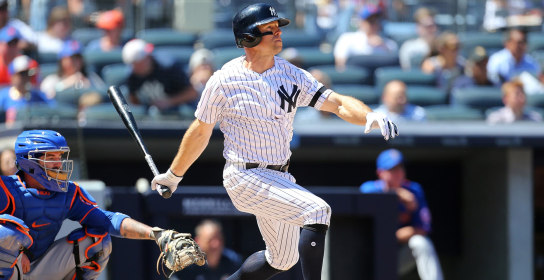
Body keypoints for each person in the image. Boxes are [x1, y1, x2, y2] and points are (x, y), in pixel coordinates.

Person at [150, 3, 398, 280]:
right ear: (248, 38)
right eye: (269, 29)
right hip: (244, 175)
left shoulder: (290, 74)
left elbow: (337, 103)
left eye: (278, 27)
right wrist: (173, 175)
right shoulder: (224, 80)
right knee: (317, 211)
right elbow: (200, 131)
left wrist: (369, 115)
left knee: (282, 259)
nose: (278, 32)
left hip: (279, 176)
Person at [0, 129, 203, 279]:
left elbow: (108, 220)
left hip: (39, 267)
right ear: (29, 161)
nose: (59, 163)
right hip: (4, 272)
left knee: (98, 240)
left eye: (60, 156)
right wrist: (17, 250)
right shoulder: (2, 189)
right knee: (7, 233)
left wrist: (156, 234)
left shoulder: (67, 191)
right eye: (51, 156)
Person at [360, 149, 444, 280]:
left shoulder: (414, 191)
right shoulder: (370, 189)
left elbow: (422, 229)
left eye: (400, 167)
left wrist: (413, 208)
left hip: (397, 258)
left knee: (421, 243)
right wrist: (396, 194)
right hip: (372, 259)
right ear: (380, 173)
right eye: (392, 169)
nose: (398, 173)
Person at [122, 38, 198, 112]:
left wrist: (170, 102)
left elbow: (192, 93)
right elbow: (133, 100)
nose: (150, 57)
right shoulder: (131, 77)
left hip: (177, 117)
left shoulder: (168, 67)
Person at [333, 4, 398, 69]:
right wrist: (366, 41)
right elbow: (340, 65)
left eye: (377, 20)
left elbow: (395, 66)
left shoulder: (389, 44)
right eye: (370, 21)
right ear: (361, 22)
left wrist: (383, 46)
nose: (374, 24)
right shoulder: (346, 39)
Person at [176, 219, 242, 280]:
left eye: (219, 239)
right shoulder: (185, 266)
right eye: (210, 240)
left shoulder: (233, 261)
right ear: (197, 242)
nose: (216, 244)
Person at [0, 26, 38, 99]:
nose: (13, 47)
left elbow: (34, 91)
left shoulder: (29, 65)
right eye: (9, 44)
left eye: (15, 43)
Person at [40, 39, 105, 99]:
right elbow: (45, 98)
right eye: (71, 58)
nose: (75, 62)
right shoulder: (52, 80)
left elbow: (103, 93)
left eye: (78, 58)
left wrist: (89, 87)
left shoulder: (91, 77)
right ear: (62, 60)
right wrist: (67, 83)